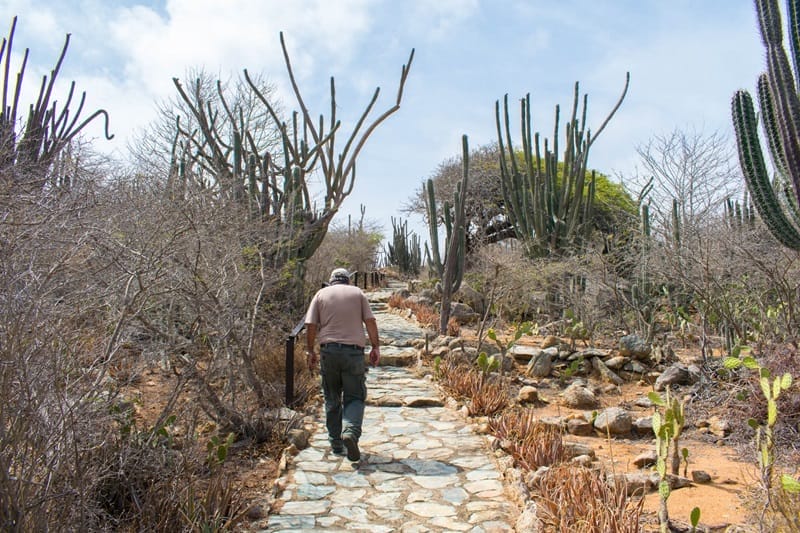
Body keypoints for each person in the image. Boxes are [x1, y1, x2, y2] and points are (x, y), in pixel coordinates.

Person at [304, 268, 380, 462]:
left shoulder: (321, 294)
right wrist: (375, 347)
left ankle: (336, 444)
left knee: (332, 398)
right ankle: (351, 433)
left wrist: (310, 350)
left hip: (328, 352)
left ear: (331, 281)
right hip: (353, 352)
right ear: (348, 280)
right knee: (354, 397)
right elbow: (370, 321)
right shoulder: (357, 293)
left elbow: (310, 324)